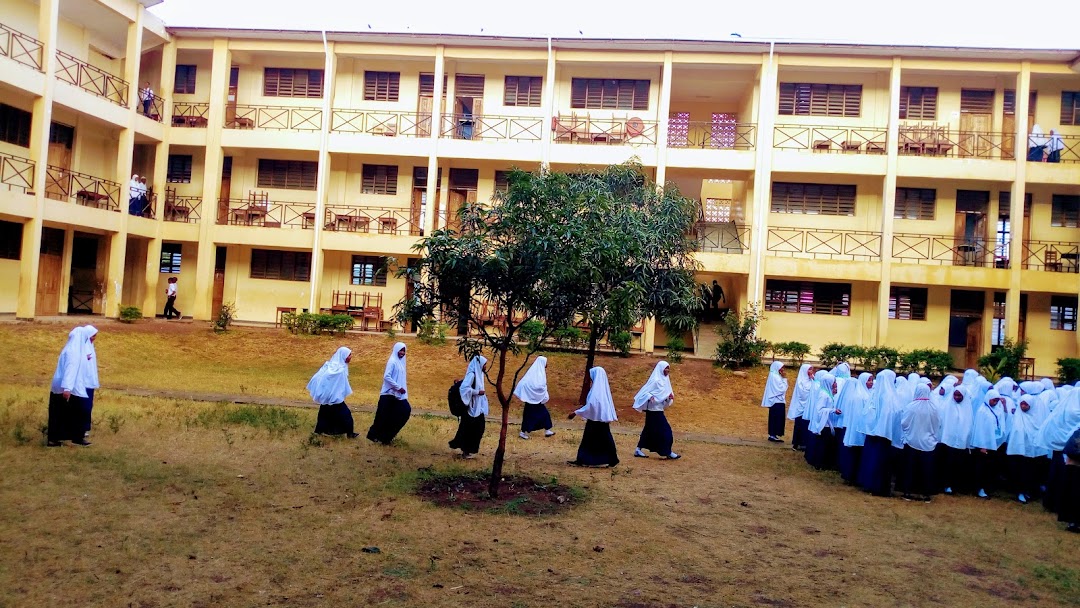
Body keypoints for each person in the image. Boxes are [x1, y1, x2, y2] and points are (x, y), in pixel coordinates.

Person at [858, 369, 899, 496]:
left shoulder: (875, 394)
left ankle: (868, 483)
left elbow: (867, 414)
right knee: (879, 461)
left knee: (870, 459)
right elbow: (890, 415)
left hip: (872, 434)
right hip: (883, 436)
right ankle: (877, 486)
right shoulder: (889, 397)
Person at [567, 367, 619, 467]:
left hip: (595, 421)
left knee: (589, 441)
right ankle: (610, 459)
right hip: (601, 420)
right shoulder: (602, 390)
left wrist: (576, 412)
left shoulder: (596, 391)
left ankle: (585, 459)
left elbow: (591, 405)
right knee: (604, 440)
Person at [1005, 395, 1050, 504]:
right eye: (1022, 404)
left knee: (1031, 472)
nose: (1023, 406)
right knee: (1021, 471)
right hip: (1020, 451)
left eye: (1026, 404)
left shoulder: (1038, 418)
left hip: (1033, 452)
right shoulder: (1018, 416)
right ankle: (1020, 492)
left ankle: (1029, 491)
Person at [901, 384, 941, 502]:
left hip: (912, 441)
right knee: (926, 469)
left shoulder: (911, 407)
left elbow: (904, 423)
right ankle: (926, 494)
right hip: (928, 443)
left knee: (910, 468)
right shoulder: (934, 408)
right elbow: (937, 424)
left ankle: (908, 492)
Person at [633, 361, 680, 459]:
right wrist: (650, 396)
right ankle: (667, 451)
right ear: (661, 368)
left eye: (668, 368)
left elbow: (665, 395)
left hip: (659, 409)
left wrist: (669, 397)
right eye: (666, 368)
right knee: (666, 430)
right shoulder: (655, 380)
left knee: (649, 430)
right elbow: (644, 392)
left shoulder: (666, 380)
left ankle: (638, 449)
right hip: (653, 410)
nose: (667, 370)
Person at [367, 342, 411, 445]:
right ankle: (375, 436)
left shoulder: (401, 363)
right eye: (400, 350)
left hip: (398, 396)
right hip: (388, 394)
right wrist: (398, 387)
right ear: (396, 350)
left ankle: (386, 436)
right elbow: (387, 376)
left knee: (404, 411)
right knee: (382, 416)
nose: (402, 352)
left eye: (404, 351)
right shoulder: (392, 361)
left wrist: (401, 390)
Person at [307, 346, 356, 437]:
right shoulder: (338, 370)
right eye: (349, 355)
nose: (350, 357)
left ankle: (319, 432)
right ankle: (350, 433)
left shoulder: (331, 366)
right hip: (334, 398)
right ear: (343, 356)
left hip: (329, 398)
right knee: (346, 415)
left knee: (324, 414)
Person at [47, 327, 84, 446]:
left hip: (58, 384)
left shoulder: (67, 349)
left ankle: (56, 438)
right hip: (64, 385)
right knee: (59, 413)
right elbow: (70, 370)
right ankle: (54, 439)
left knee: (56, 412)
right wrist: (67, 388)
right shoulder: (74, 352)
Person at [970, 389, 1007, 499]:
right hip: (984, 445)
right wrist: (982, 445)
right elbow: (980, 429)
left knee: (991, 467)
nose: (995, 402)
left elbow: (1003, 420)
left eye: (996, 400)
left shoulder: (998, 410)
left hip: (995, 443)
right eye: (993, 400)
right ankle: (979, 488)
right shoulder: (983, 411)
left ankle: (988, 487)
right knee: (982, 468)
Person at [838, 372, 874, 483]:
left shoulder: (865, 394)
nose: (871, 383)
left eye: (872, 380)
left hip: (859, 428)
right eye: (869, 380)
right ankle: (850, 476)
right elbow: (860, 415)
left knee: (857, 452)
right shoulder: (859, 396)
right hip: (857, 428)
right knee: (854, 452)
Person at [449, 356, 488, 459]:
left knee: (477, 429)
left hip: (477, 408)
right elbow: (464, 388)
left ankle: (467, 450)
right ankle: (465, 451)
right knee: (469, 430)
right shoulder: (472, 375)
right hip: (471, 408)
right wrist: (477, 392)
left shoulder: (479, 375)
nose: (485, 366)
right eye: (484, 364)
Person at [514, 356, 555, 439]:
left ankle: (547, 430)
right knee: (530, 416)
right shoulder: (536, 374)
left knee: (544, 414)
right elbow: (537, 386)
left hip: (536, 401)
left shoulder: (538, 372)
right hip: (531, 401)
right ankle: (523, 432)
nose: (547, 364)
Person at [805, 371, 838, 470]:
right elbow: (820, 410)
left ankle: (822, 463)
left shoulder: (827, 392)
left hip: (826, 422)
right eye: (834, 382)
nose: (836, 384)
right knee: (822, 445)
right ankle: (819, 463)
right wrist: (833, 410)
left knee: (825, 444)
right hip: (824, 424)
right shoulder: (824, 394)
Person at [787, 363, 813, 451]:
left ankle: (804, 443)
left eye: (811, 369)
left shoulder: (812, 380)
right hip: (800, 407)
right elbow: (803, 394)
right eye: (809, 369)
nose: (811, 371)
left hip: (808, 408)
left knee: (806, 425)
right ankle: (796, 443)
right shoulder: (800, 381)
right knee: (799, 425)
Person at [760, 361, 788, 443]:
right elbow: (781, 389)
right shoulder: (775, 377)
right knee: (776, 418)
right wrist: (784, 379)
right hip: (776, 401)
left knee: (776, 418)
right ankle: (773, 435)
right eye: (781, 367)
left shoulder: (775, 375)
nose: (783, 369)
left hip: (777, 401)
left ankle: (773, 434)